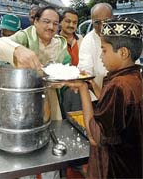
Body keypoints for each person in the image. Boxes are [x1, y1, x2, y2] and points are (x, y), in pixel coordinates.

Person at [0, 5, 71, 179]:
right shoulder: (24, 36)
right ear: (35, 21)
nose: (51, 27)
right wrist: (17, 50)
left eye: (55, 23)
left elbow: (65, 68)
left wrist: (65, 79)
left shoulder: (60, 43)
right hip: (22, 102)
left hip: (49, 100)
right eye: (45, 22)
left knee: (52, 145)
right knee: (25, 151)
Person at [61, 17, 143, 178]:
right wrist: (90, 82)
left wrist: (83, 89)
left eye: (104, 50)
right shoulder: (135, 78)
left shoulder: (118, 85)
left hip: (113, 169)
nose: (101, 57)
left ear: (123, 53)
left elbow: (94, 137)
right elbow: (114, 109)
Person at [78, 2, 113, 100]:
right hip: (97, 99)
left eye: (106, 21)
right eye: (97, 22)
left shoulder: (122, 37)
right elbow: (85, 72)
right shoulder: (88, 41)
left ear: (113, 18)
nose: (102, 26)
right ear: (92, 22)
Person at [59, 9, 83, 117]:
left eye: (74, 22)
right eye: (68, 21)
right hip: (61, 86)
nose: (71, 25)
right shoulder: (54, 40)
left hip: (79, 85)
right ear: (60, 22)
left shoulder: (81, 40)